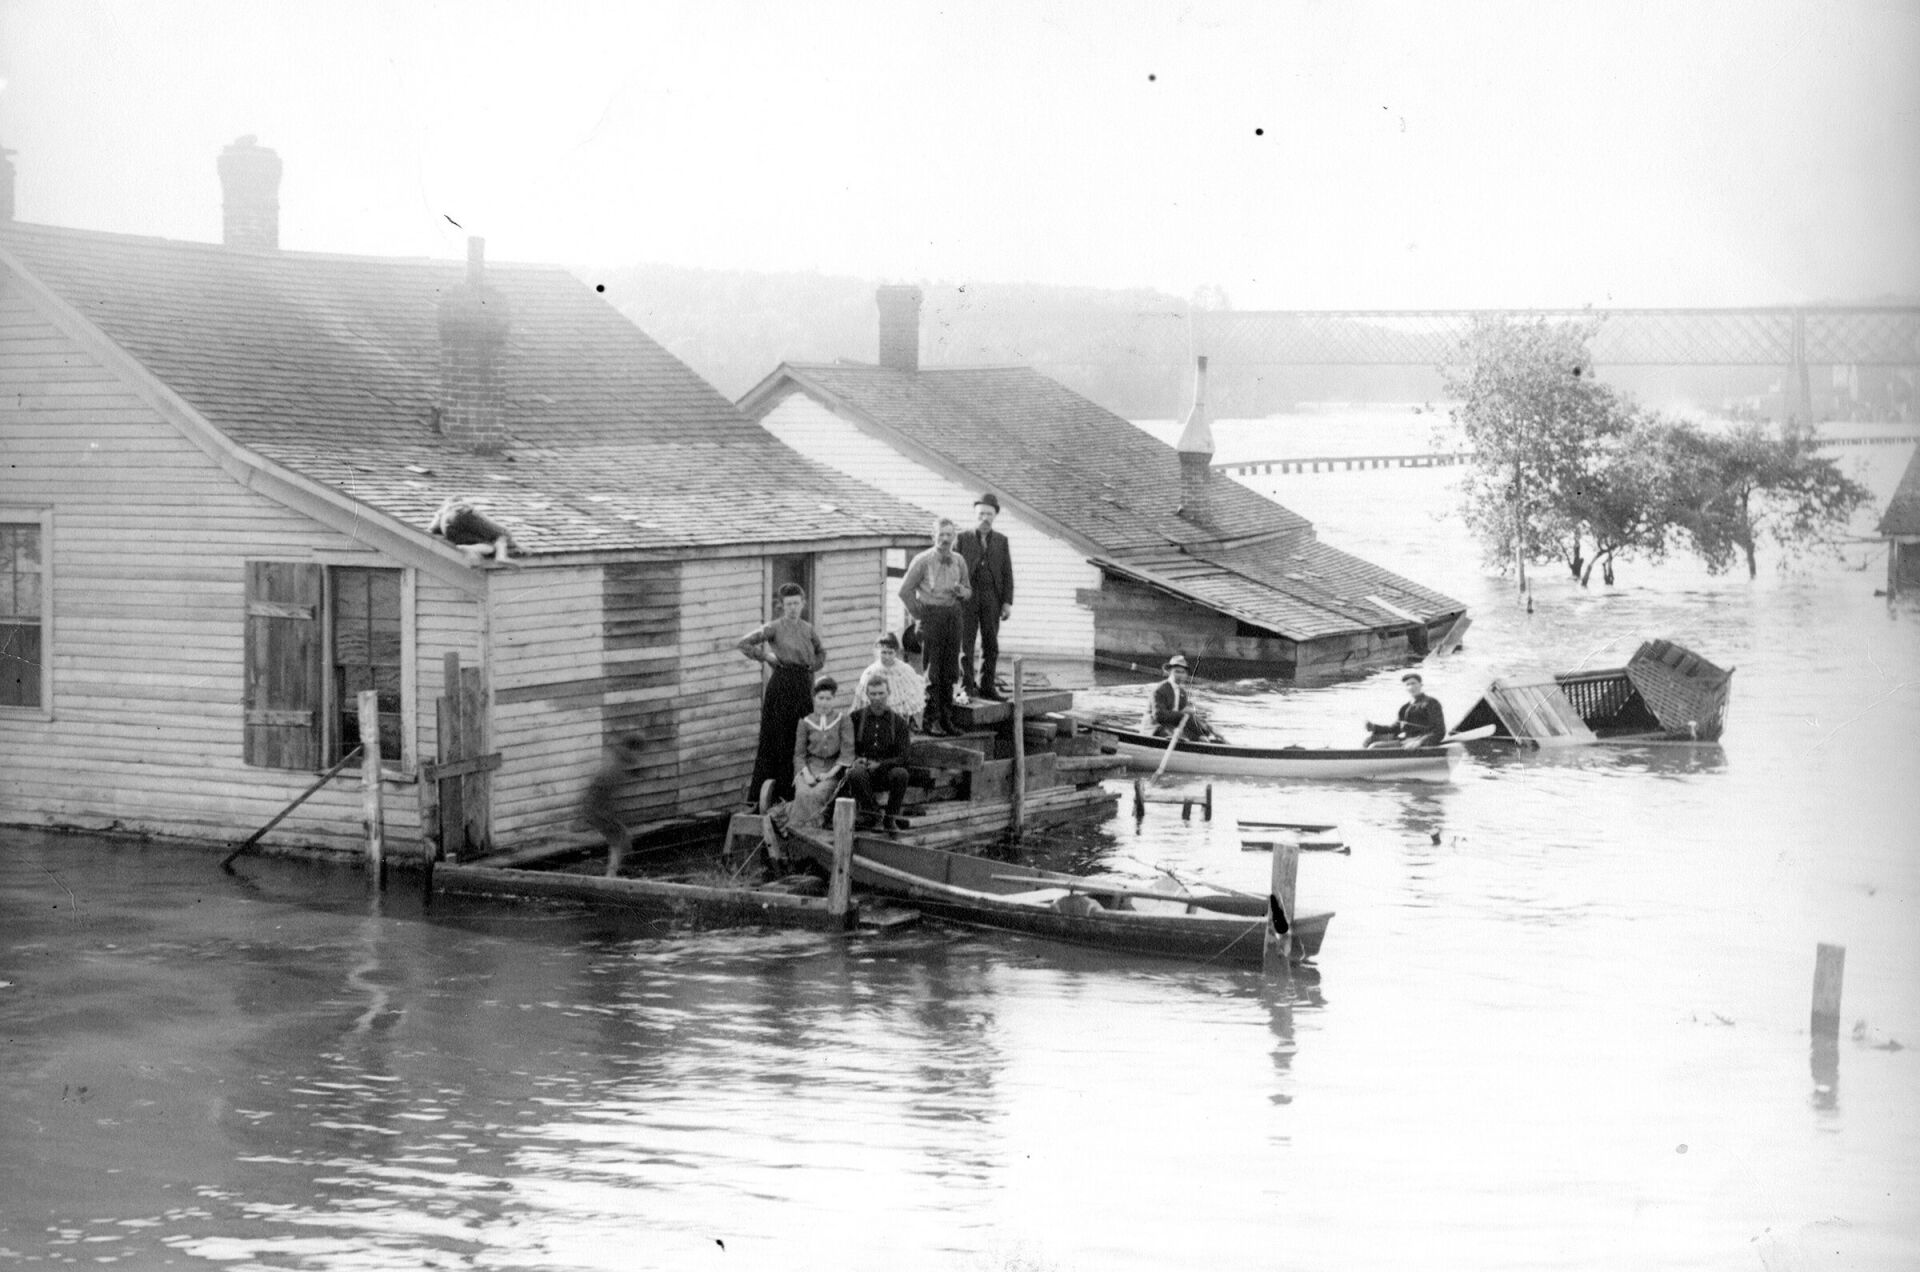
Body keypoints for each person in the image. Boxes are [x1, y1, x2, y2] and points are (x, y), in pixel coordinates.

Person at [738, 582, 827, 807]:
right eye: (789, 604)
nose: (793, 608)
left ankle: (795, 795)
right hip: (781, 686)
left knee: (799, 738)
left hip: (802, 685)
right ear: (782, 606)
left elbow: (821, 653)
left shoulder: (808, 628)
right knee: (776, 739)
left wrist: (812, 667)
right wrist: (766, 657)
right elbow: (744, 643)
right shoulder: (774, 627)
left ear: (803, 604)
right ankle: (767, 797)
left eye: (796, 603)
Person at [898, 517, 972, 736]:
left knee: (950, 669)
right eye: (941, 534)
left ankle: (947, 720)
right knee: (933, 671)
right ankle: (931, 721)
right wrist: (920, 615)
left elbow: (969, 590)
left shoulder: (959, 560)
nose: (945, 539)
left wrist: (963, 592)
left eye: (950, 535)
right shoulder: (922, 560)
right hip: (932, 616)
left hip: (954, 615)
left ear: (954, 537)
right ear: (934, 536)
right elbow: (904, 591)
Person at [777, 676, 853, 835]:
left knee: (818, 794)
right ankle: (798, 833)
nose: (824, 703)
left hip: (833, 768)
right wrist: (806, 774)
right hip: (809, 767)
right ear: (814, 699)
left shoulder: (843, 720)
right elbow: (799, 754)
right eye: (821, 698)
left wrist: (830, 774)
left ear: (834, 699)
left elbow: (847, 752)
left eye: (828, 698)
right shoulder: (805, 722)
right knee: (803, 793)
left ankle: (807, 833)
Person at [956, 493, 1015, 701]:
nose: (985, 518)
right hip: (968, 598)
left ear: (995, 516)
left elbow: (1007, 573)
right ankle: (967, 686)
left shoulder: (1001, 541)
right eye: (981, 513)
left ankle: (987, 686)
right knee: (966, 643)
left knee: (991, 643)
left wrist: (1007, 602)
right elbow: (954, 570)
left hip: (992, 597)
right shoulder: (962, 539)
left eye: (989, 514)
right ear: (975, 514)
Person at [847, 678, 914, 833]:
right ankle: (875, 816)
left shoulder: (899, 722)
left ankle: (890, 818)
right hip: (864, 775)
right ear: (867, 695)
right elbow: (846, 747)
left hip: (886, 773)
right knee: (855, 773)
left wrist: (881, 764)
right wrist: (857, 759)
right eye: (873, 694)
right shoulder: (855, 718)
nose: (877, 698)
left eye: (881, 693)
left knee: (901, 774)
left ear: (888, 693)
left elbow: (904, 756)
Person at [584, 734, 646, 878]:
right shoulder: (615, 768)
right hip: (598, 809)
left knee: (622, 837)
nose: (639, 758)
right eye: (639, 753)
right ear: (631, 750)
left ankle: (614, 873)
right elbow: (602, 793)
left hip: (597, 808)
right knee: (620, 838)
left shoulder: (618, 762)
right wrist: (609, 814)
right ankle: (610, 877)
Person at [856, 632, 927, 729]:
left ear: (896, 652)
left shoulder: (904, 670)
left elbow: (911, 696)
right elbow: (864, 700)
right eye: (883, 652)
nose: (887, 657)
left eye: (890, 653)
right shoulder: (871, 672)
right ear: (877, 652)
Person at [1147, 654, 1220, 741]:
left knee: (1205, 729)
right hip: (1156, 728)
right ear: (1170, 672)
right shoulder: (1160, 689)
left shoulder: (1182, 692)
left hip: (1173, 728)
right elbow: (1159, 716)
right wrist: (1183, 714)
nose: (1180, 675)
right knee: (1185, 728)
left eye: (1183, 672)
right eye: (1177, 672)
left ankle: (1207, 738)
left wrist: (1204, 729)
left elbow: (1186, 717)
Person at [1365, 671, 1448, 748]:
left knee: (1375, 747)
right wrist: (1374, 727)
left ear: (1420, 684)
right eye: (1408, 684)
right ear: (1405, 688)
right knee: (1370, 740)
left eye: (1413, 683)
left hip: (1419, 742)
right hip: (1406, 740)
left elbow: (1439, 730)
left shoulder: (1430, 703)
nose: (1411, 687)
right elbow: (1395, 728)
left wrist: (1420, 742)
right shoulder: (1405, 707)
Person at [429, 495, 519, 563]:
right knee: (504, 533)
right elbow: (486, 523)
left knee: (490, 547)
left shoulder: (443, 515)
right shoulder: (460, 508)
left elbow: (432, 529)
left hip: (447, 529)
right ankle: (501, 556)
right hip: (461, 516)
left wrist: (439, 515)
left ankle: (466, 548)